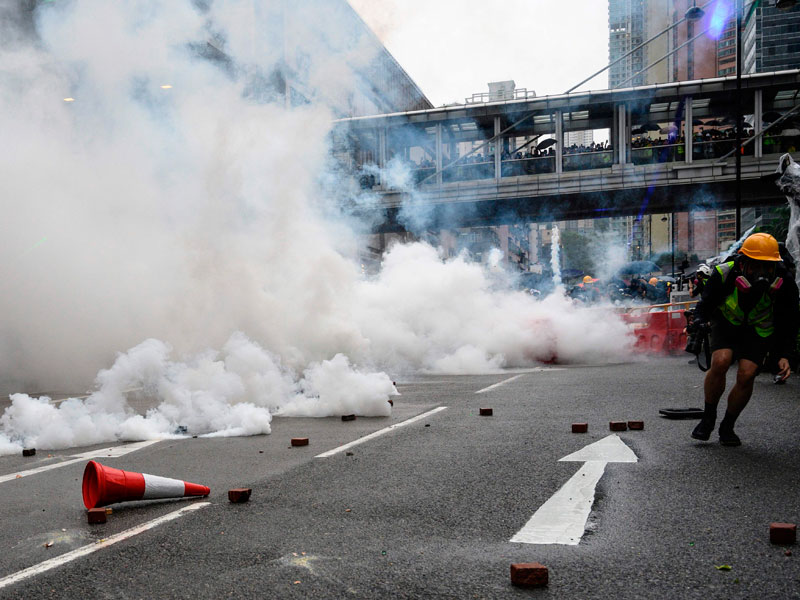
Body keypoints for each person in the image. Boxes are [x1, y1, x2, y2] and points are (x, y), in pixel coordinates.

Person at [691, 233, 799, 446]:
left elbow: (791, 320)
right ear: (744, 262)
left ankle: (727, 426)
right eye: (756, 265)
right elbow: (704, 305)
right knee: (721, 361)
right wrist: (699, 322)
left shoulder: (784, 281)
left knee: (747, 374)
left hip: (759, 329)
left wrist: (786, 354)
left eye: (767, 266)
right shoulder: (724, 273)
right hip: (727, 321)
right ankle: (708, 418)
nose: (762, 272)